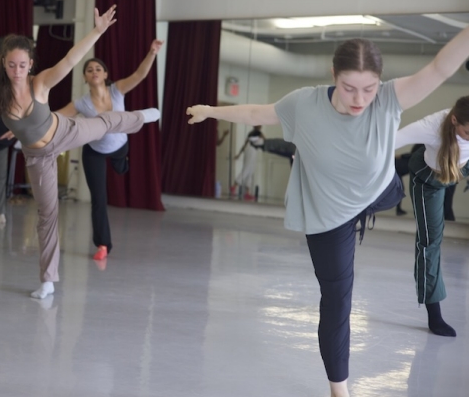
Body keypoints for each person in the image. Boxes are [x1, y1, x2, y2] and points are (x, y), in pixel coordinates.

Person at [186, 26, 469, 397]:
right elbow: (259, 111)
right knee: (337, 300)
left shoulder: (388, 98)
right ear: (334, 75)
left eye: (369, 88)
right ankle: (340, 389)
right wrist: (210, 110)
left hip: (379, 191)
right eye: (350, 87)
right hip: (328, 213)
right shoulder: (304, 103)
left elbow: (438, 69)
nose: (360, 99)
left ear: (379, 83)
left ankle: (365, 208)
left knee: (397, 180)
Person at [0, 6, 160, 299]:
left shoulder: (39, 82)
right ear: (3, 63)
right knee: (47, 215)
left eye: (22, 65)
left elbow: (71, 59)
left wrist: (98, 31)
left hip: (65, 132)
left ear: (30, 64)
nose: (17, 71)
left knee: (105, 122)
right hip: (37, 156)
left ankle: (141, 117)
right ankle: (48, 280)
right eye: (11, 65)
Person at [56, 38, 162, 261]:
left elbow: (140, 75)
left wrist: (152, 52)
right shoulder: (81, 103)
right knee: (99, 198)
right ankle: (103, 244)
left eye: (98, 68)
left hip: (120, 147)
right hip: (94, 151)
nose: (94, 71)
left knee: (121, 169)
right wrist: (31, 124)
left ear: (105, 74)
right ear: (85, 77)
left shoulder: (117, 90)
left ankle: (124, 163)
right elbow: (57, 117)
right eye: (89, 69)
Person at [395, 98, 469, 337]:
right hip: (429, 179)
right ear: (455, 120)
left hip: (460, 167)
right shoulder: (432, 126)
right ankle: (434, 316)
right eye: (468, 132)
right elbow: (389, 142)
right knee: (430, 243)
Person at [232, 125, 265, 200]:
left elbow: (244, 145)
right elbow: (264, 140)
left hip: (250, 151)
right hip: (252, 151)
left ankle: (247, 192)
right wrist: (239, 154)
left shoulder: (251, 133)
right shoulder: (258, 133)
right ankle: (234, 185)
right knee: (247, 169)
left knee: (250, 171)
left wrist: (239, 154)